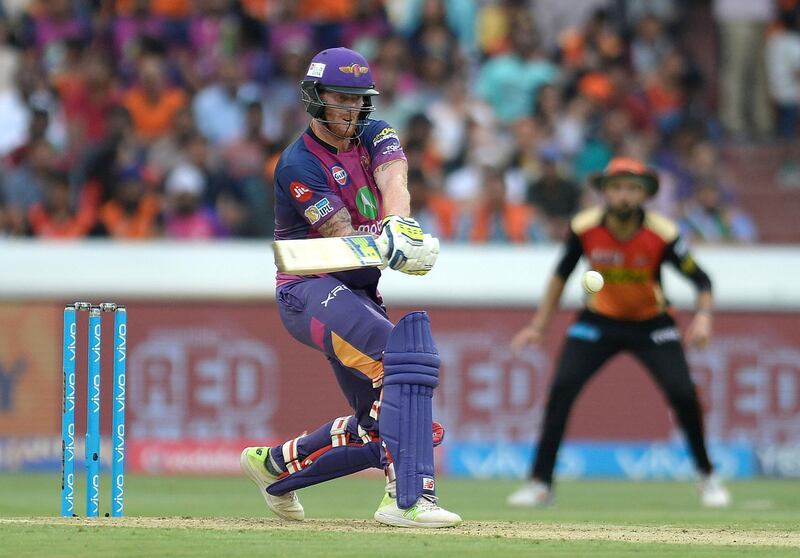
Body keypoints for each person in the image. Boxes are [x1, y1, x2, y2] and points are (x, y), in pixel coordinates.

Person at [239, 47, 461, 528]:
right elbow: (340, 233)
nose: (351, 110)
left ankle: (274, 466)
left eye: (359, 100)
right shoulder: (298, 164)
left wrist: (401, 226)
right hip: (308, 291)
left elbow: (394, 177)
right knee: (402, 356)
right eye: (340, 99)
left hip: (358, 293)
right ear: (315, 98)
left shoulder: (375, 132)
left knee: (377, 427)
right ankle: (407, 499)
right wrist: (390, 244)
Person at [506, 157, 731, 509]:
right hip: (598, 321)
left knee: (683, 394)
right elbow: (560, 276)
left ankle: (707, 477)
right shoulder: (584, 228)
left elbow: (703, 280)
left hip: (652, 324)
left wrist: (703, 317)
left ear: (644, 195)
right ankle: (540, 484)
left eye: (632, 189)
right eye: (617, 188)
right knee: (561, 390)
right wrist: (539, 326)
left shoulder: (663, 234)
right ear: (605, 193)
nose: (624, 195)